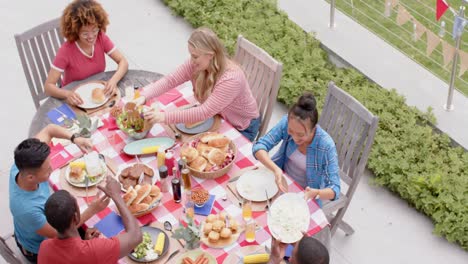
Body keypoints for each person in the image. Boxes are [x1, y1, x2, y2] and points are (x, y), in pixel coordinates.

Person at [9, 124, 108, 262]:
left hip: (48, 224)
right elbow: (59, 233)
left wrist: (75, 138)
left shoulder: (22, 165)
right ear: (31, 177)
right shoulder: (27, 209)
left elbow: (49, 129)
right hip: (39, 249)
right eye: (48, 169)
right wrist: (92, 210)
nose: (52, 168)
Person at [141, 27, 260, 141]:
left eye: (195, 56)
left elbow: (204, 112)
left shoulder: (232, 79)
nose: (191, 60)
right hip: (217, 117)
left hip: (240, 127)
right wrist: (144, 96)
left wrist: (163, 117)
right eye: (191, 55)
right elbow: (170, 80)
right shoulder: (198, 64)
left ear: (210, 55)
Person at [252, 92, 340, 204]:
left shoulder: (326, 146)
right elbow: (259, 146)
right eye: (290, 131)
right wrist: (276, 169)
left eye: (300, 134)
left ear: (313, 130)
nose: (294, 137)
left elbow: (335, 189)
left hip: (305, 196)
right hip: (281, 181)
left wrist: (317, 192)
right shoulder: (286, 122)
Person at [38, 176, 142, 263]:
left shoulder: (44, 248)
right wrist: (115, 195)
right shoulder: (94, 250)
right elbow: (136, 236)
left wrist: (85, 242)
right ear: (76, 217)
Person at [44, 0, 128, 106]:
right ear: (75, 31)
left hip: (97, 97)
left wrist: (113, 81)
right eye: (84, 33)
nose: (91, 37)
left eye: (94, 30)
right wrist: (66, 94)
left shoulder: (101, 37)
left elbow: (123, 62)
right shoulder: (66, 51)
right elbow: (48, 87)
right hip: (76, 100)